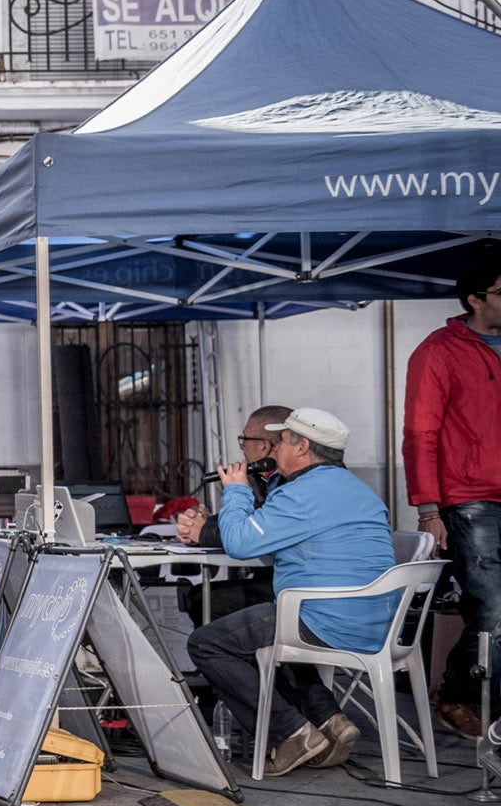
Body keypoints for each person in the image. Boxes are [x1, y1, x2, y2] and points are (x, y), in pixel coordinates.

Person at [187, 409, 395, 776]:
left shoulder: (303, 494)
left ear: (301, 447)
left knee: (207, 643)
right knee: (261, 623)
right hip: (374, 622)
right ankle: (328, 720)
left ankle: (291, 733)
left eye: (282, 440)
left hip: (324, 618)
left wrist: (235, 490)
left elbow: (240, 542)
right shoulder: (357, 490)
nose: (276, 447)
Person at [403, 245, 501, 741]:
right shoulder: (438, 351)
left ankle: (482, 701)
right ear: (475, 299)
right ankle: (460, 695)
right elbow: (420, 434)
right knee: (492, 607)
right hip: (468, 498)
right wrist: (427, 509)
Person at [171, 405, 288, 624]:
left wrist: (204, 532)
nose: (242, 446)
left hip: (291, 591)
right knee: (202, 597)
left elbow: (255, 532)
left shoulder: (292, 483)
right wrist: (201, 524)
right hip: (282, 582)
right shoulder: (266, 478)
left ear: (264, 446)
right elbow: (253, 515)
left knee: (203, 602)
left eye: (244, 438)